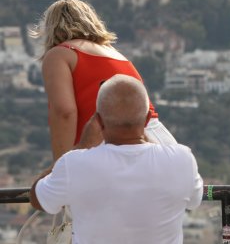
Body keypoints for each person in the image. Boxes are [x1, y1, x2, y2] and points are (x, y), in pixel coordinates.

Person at [29, 75, 203, 244]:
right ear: (147, 119)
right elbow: (195, 200)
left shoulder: (74, 165)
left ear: (98, 121)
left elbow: (37, 199)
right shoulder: (182, 161)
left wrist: (82, 145)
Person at [32, 0, 175, 161]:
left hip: (117, 146)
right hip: (158, 140)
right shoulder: (116, 54)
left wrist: (60, 166)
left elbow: (64, 112)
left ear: (52, 28)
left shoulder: (59, 54)